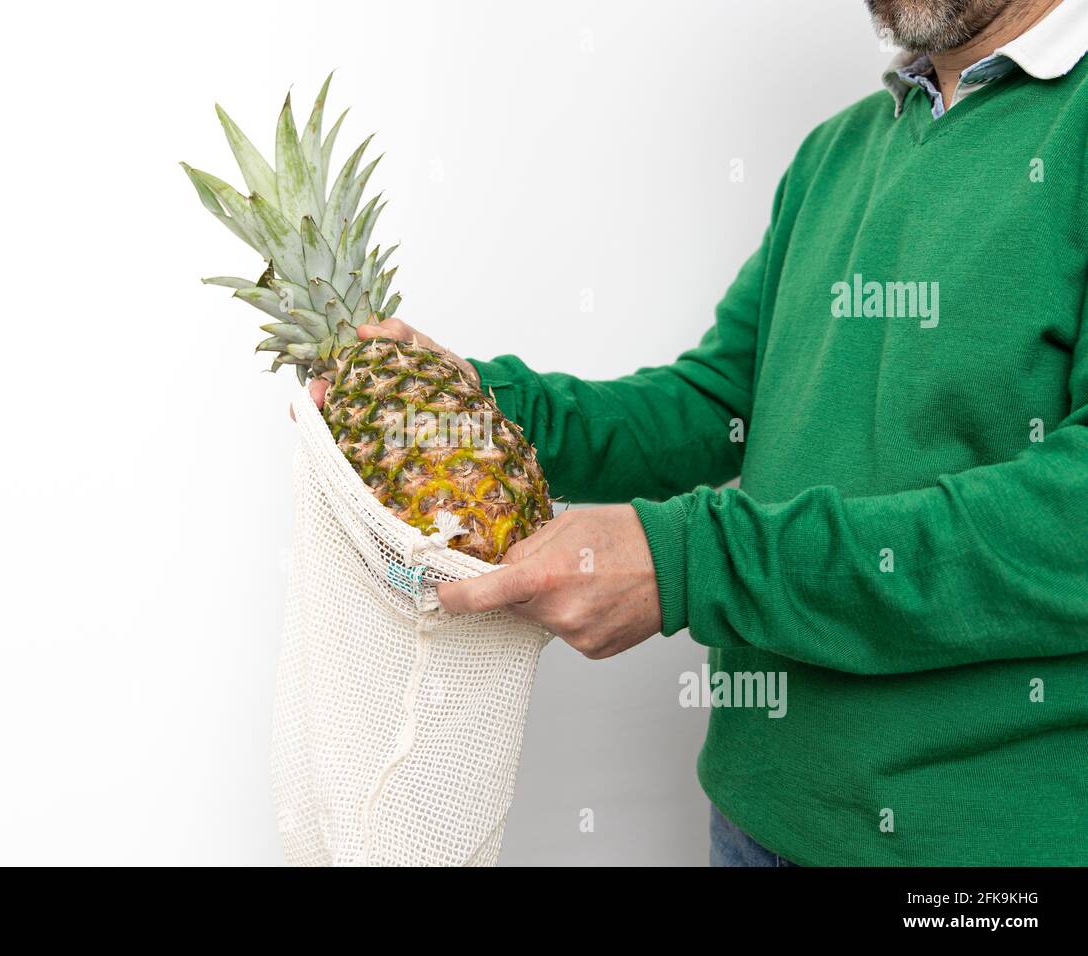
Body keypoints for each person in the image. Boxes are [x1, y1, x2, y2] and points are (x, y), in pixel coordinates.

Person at [313, 0, 1088, 867]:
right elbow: (719, 399)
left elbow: (1071, 526)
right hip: (755, 817)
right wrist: (466, 405)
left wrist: (692, 561)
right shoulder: (838, 152)